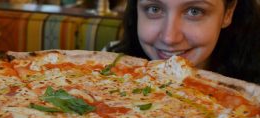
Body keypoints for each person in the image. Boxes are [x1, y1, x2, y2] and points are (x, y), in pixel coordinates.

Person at [108, 0, 260, 84]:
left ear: (228, 13)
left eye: (194, 11)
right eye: (154, 9)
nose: (169, 38)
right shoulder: (109, 63)